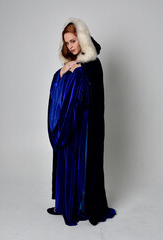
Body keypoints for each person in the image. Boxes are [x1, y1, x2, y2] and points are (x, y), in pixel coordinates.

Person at [47, 17, 116, 226]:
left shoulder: (92, 65)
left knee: (81, 164)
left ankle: (81, 205)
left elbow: (90, 95)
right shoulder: (71, 65)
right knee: (67, 162)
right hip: (70, 125)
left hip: (84, 127)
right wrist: (61, 73)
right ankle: (65, 202)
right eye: (67, 43)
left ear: (82, 39)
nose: (70, 46)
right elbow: (59, 95)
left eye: (73, 41)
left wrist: (79, 74)